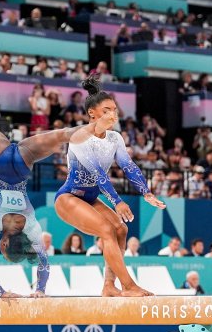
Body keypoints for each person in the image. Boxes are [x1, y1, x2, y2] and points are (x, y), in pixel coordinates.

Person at [0, 84, 98, 298]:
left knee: (62, 135)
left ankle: (99, 124)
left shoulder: (31, 226)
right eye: (2, 251)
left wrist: (41, 289)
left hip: (23, 163)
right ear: (3, 243)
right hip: (0, 160)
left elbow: (44, 263)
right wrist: (1, 292)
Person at [53, 75, 164, 297]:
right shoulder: (79, 137)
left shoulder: (115, 138)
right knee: (106, 229)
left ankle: (109, 286)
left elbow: (128, 166)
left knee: (121, 229)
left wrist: (146, 192)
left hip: (90, 198)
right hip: (68, 198)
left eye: (114, 109)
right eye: (106, 110)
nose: (112, 114)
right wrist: (118, 201)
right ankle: (129, 286)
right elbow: (97, 173)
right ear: (92, 113)